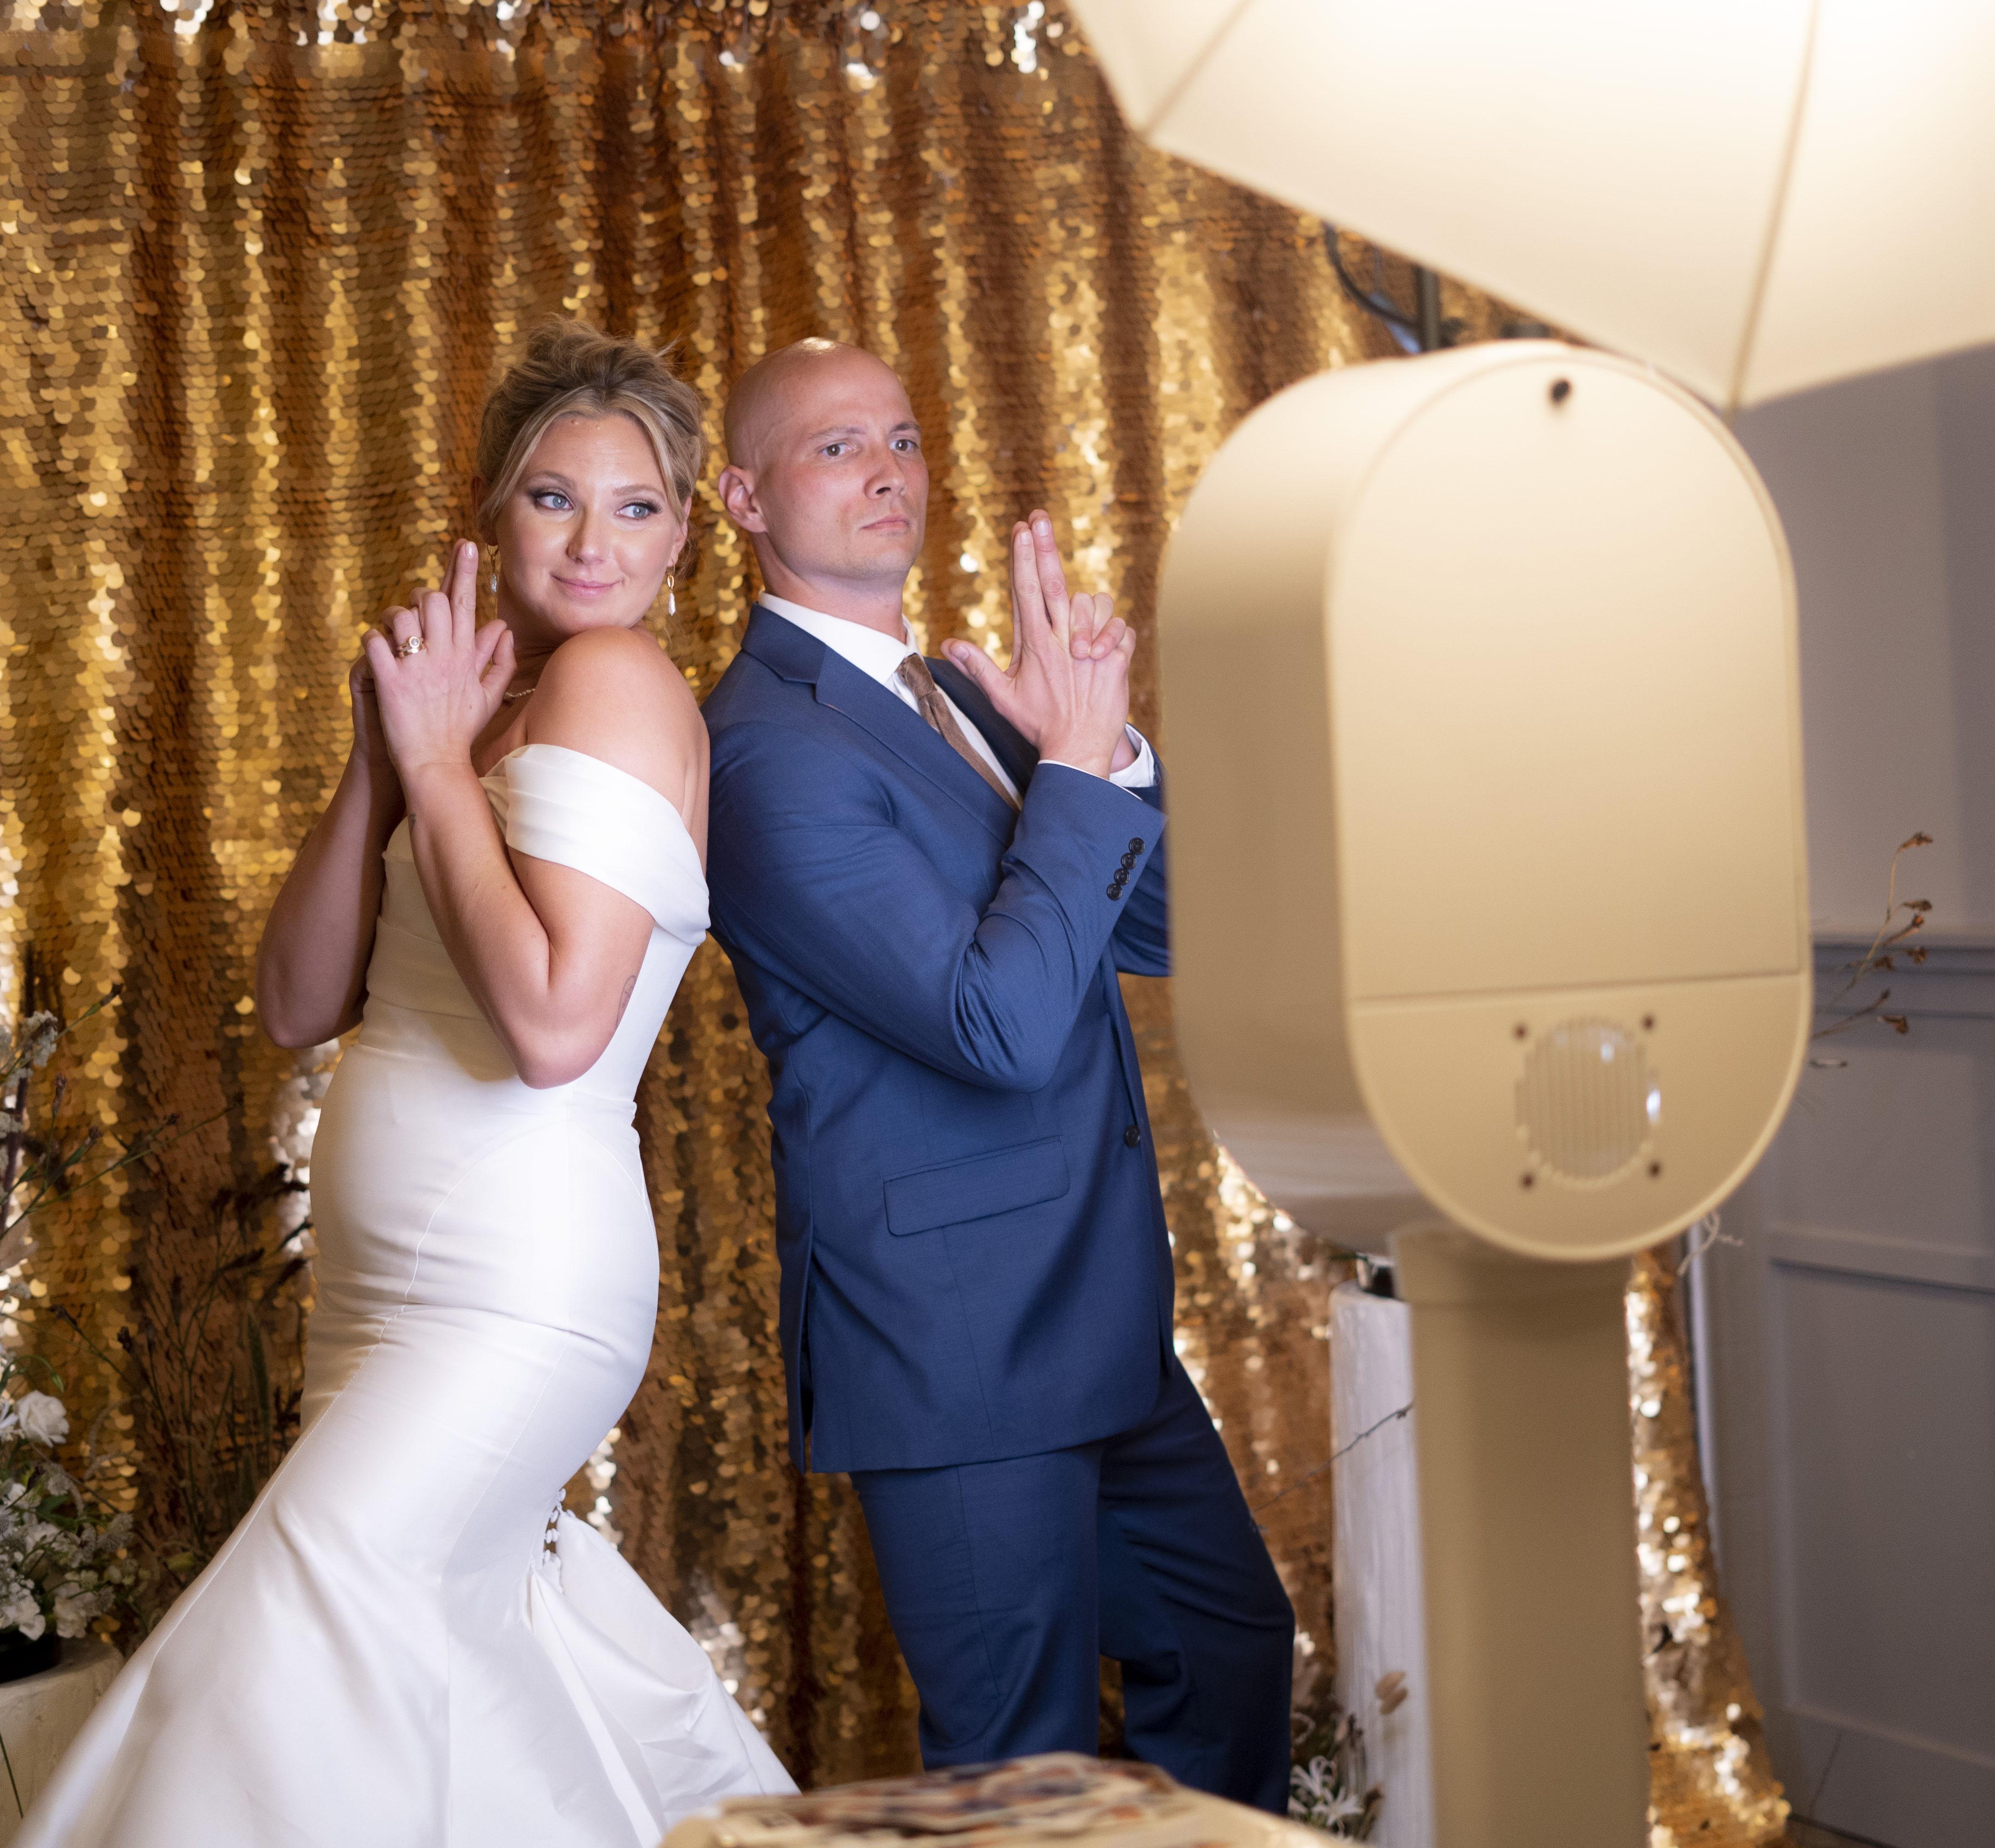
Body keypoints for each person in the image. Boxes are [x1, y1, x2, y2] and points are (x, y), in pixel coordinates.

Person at [20, 323, 792, 1847]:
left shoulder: (619, 681)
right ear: (491, 512)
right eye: (553, 497)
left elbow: (555, 1024)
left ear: (684, 540)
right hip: (382, 1295)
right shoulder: (478, 706)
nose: (592, 542)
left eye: (636, 507)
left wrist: (440, 777)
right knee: (423, 1678)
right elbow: (299, 1000)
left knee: (297, 1636)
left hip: (515, 1285)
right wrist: (388, 757)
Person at [702, 339, 1295, 1809]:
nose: (887, 468)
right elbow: (997, 1026)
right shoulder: (766, 751)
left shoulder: (950, 695)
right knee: (1018, 1774)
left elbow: (1164, 927)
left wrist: (1105, 751)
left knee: (1227, 1651)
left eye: (902, 436)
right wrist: (1070, 777)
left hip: (1097, 1319)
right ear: (742, 498)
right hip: (956, 1346)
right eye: (836, 446)